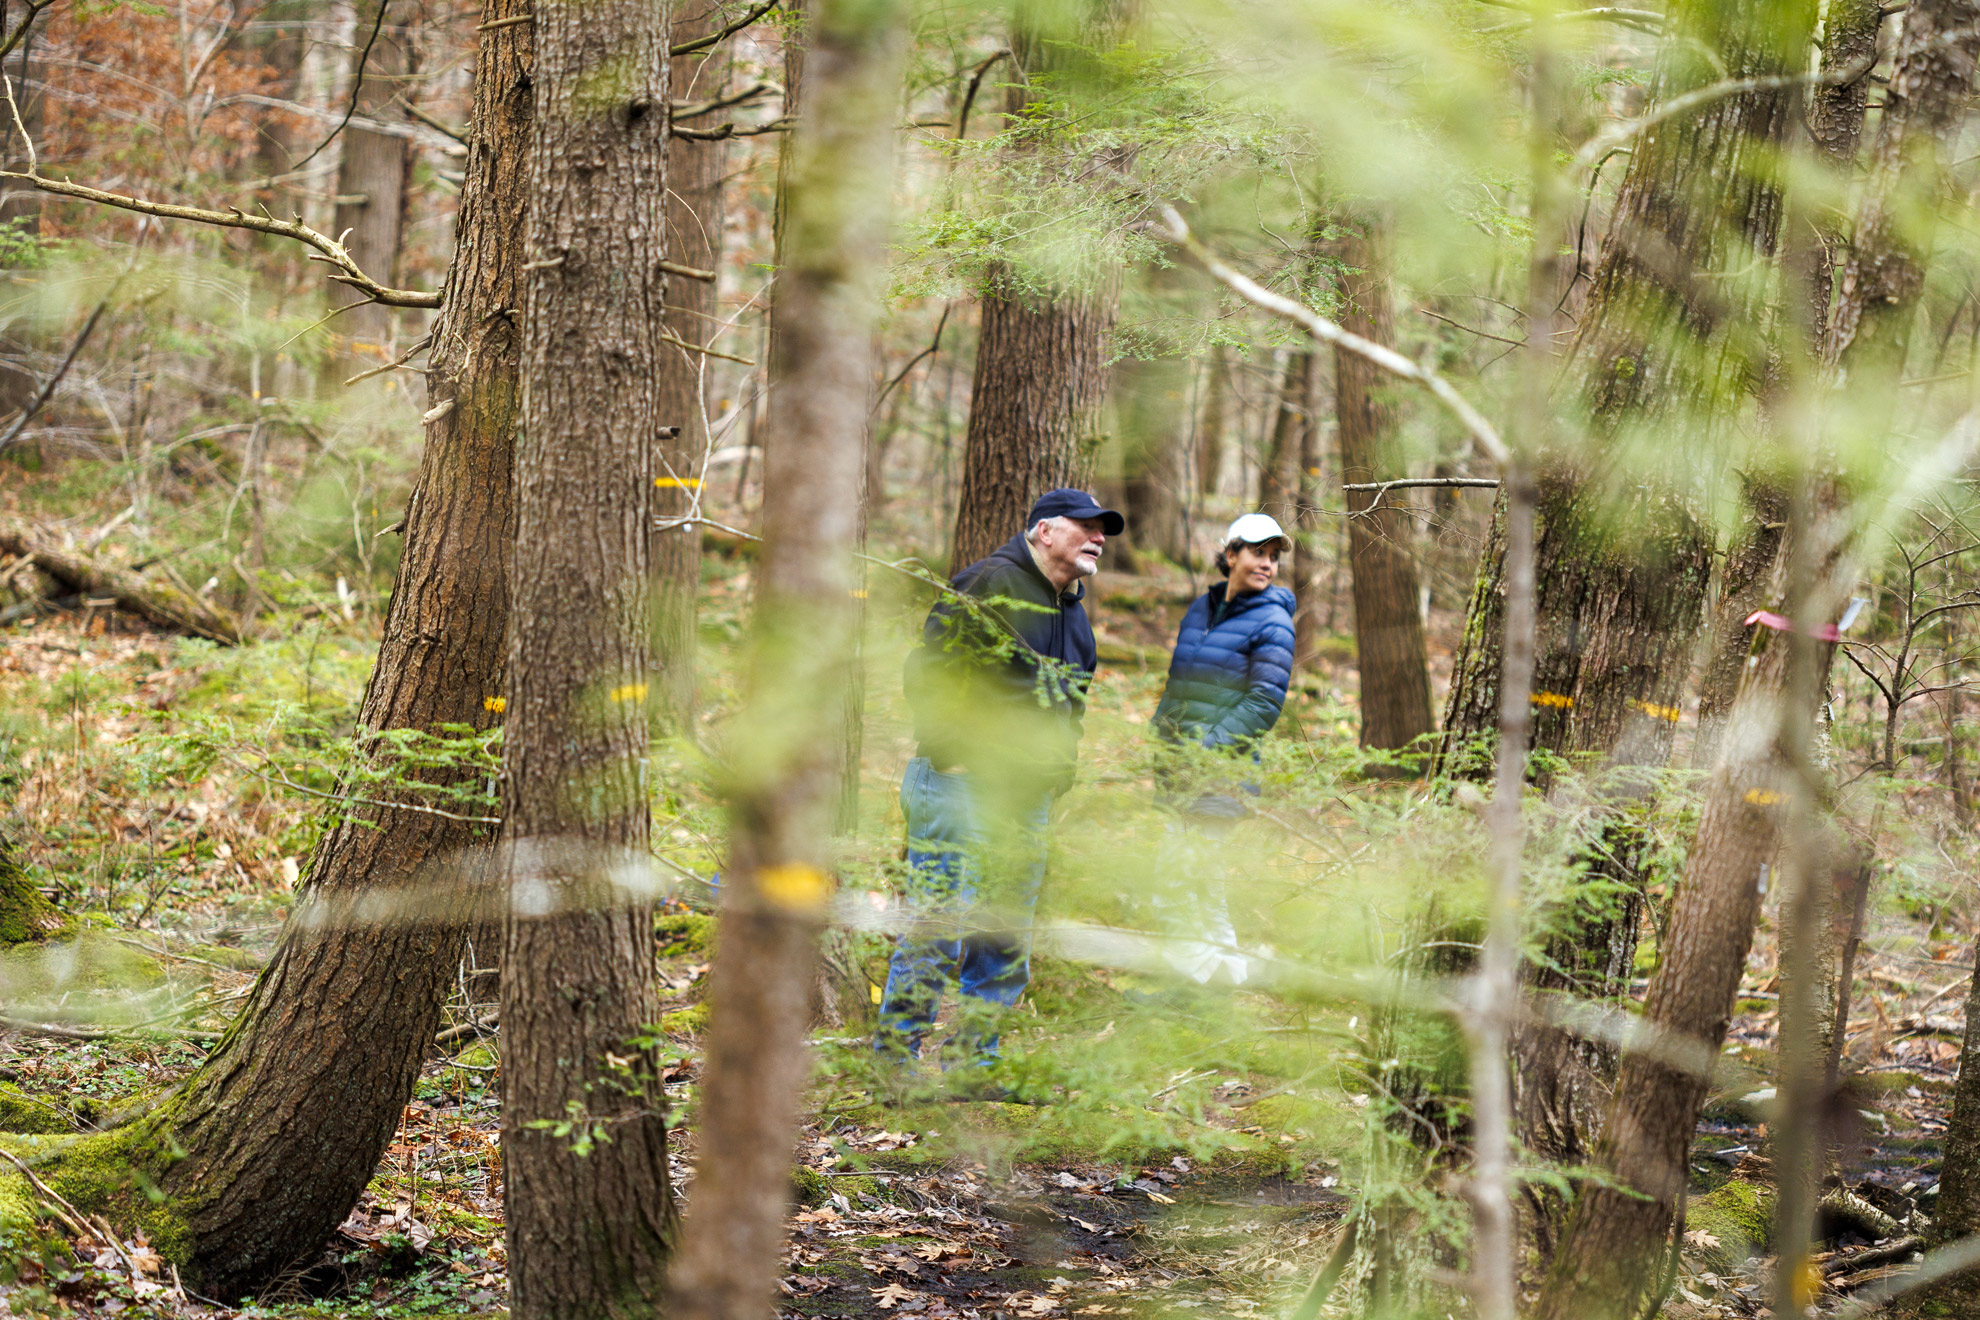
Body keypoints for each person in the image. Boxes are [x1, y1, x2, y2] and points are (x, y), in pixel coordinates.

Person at [873, 489, 1124, 1080]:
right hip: (961, 785)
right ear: (1043, 531)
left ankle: (973, 1065)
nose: (1099, 538)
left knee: (1004, 937)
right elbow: (928, 673)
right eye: (1085, 526)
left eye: (1103, 530)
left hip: (1025, 799)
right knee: (939, 929)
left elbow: (1074, 704)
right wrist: (954, 754)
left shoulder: (1074, 614)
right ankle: (893, 1066)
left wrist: (1058, 775)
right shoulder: (990, 584)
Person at [1148, 511, 1297, 984]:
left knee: (1172, 883)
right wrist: (1162, 734)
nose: (1267, 564)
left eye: (1274, 557)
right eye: (1258, 552)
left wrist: (1206, 749)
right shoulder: (1200, 609)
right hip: (1180, 767)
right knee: (1204, 884)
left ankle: (1192, 985)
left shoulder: (1273, 621)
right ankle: (1225, 981)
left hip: (1218, 773)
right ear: (1230, 554)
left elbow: (1264, 703)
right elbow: (1179, 682)